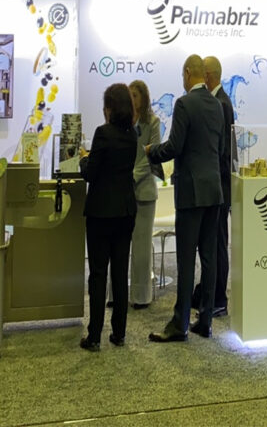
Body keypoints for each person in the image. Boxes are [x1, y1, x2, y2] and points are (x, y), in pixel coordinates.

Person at [145, 55, 225, 342]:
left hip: (191, 193)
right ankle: (205, 320)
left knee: (186, 259)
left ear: (188, 73)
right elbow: (220, 149)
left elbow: (174, 147)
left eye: (182, 75)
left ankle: (180, 324)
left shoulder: (183, 104)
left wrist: (150, 151)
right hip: (213, 190)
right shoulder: (217, 105)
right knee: (209, 258)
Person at [79, 83, 137, 352]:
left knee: (98, 274)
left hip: (101, 212)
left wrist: (83, 159)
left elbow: (91, 173)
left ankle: (94, 336)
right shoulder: (132, 134)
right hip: (125, 211)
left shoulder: (102, 133)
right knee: (120, 273)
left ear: (110, 108)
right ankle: (119, 332)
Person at [191, 56, 235, 318]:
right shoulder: (219, 101)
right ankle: (209, 294)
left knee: (218, 243)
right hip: (217, 184)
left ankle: (219, 298)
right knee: (212, 242)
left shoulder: (222, 104)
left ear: (207, 75)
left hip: (220, 185)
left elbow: (223, 151)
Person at [128, 80, 162, 310]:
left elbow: (153, 154)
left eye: (136, 95)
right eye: (129, 95)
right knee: (119, 248)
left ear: (144, 98)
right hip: (123, 191)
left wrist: (132, 175)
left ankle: (141, 297)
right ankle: (115, 295)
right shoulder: (122, 121)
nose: (132, 99)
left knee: (141, 249)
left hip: (144, 191)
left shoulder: (153, 122)